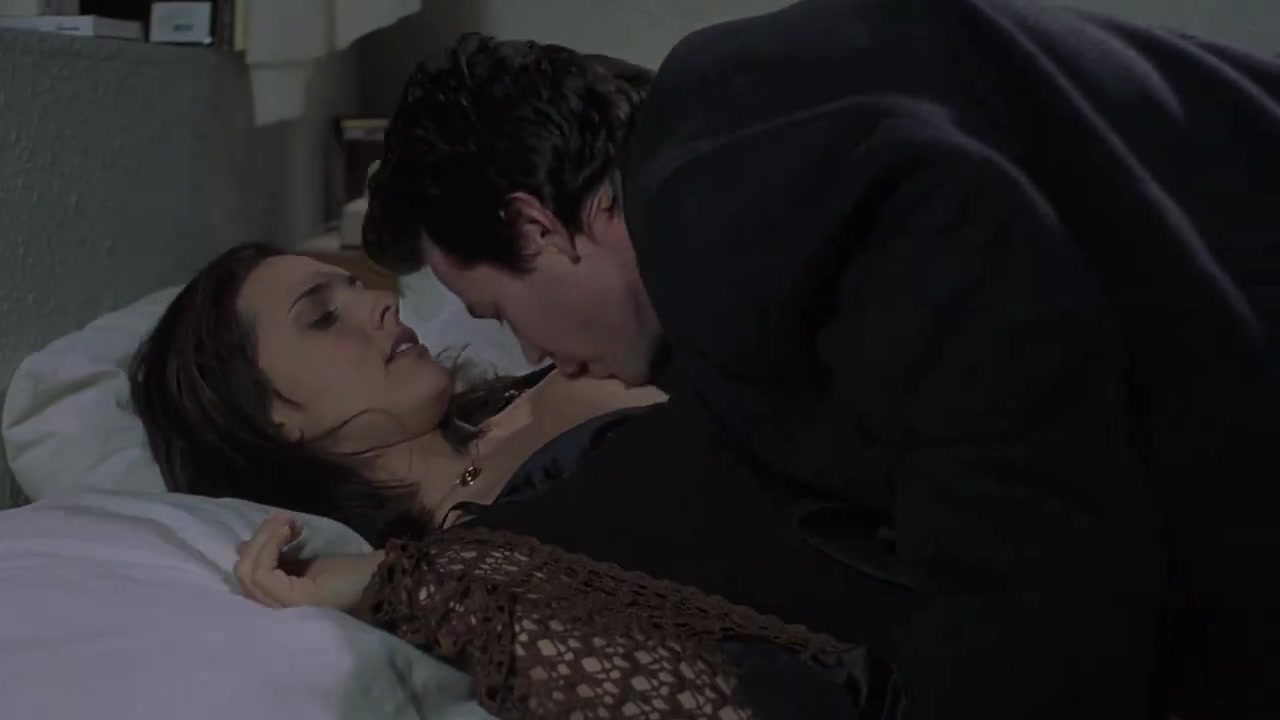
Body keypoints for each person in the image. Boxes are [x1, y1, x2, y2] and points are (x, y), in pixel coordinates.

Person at [361, 2, 1280, 718]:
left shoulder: (719, 195)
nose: (532, 351)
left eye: (498, 311)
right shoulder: (737, 122)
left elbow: (1027, 510)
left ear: (536, 225)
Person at [129, 242, 902, 718]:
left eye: (358, 286)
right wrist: (392, 589)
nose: (382, 302)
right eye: (322, 316)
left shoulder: (557, 367)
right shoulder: (455, 576)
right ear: (270, 419)